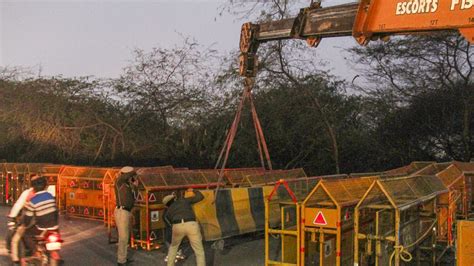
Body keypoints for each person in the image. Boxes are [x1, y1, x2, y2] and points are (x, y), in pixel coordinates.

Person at [163, 188, 205, 266]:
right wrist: (193, 190)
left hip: (177, 226)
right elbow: (200, 197)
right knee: (199, 251)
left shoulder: (168, 210)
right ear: (174, 198)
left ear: (167, 204)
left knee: (173, 248)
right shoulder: (183, 200)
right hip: (191, 224)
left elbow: (166, 219)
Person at [22, 176, 59, 258]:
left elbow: (28, 218)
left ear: (34, 188)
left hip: (42, 228)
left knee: (26, 234)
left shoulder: (33, 201)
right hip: (55, 228)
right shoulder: (50, 196)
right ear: (45, 186)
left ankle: (36, 252)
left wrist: (25, 225)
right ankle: (54, 253)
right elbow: (55, 211)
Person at [7, 177, 36, 265]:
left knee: (16, 239)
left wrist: (12, 216)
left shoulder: (27, 193)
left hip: (30, 223)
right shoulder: (45, 194)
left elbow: (18, 205)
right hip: (46, 224)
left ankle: (17, 261)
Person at [114, 166, 138, 266]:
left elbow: (134, 198)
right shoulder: (119, 183)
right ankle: (121, 261)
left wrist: (135, 186)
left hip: (126, 212)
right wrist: (134, 172)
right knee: (123, 237)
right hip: (122, 211)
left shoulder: (128, 185)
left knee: (125, 237)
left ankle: (123, 258)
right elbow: (123, 177)